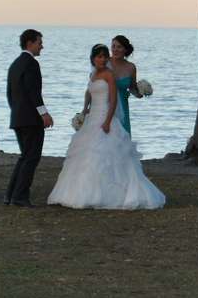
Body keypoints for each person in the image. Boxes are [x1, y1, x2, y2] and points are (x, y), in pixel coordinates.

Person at [46, 44, 166, 209]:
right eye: (99, 57)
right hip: (92, 116)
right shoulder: (94, 74)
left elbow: (113, 99)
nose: (102, 59)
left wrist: (108, 121)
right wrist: (84, 110)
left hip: (105, 117)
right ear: (93, 58)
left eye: (104, 56)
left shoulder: (109, 75)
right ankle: (78, 193)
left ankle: (110, 194)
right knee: (85, 154)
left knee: (106, 154)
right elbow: (89, 92)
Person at [6, 28, 53, 207]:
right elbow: (34, 92)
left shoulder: (15, 64)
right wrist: (44, 114)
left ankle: (10, 195)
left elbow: (10, 94)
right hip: (31, 119)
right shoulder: (31, 64)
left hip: (17, 117)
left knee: (24, 157)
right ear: (30, 43)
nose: (42, 47)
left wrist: (17, 111)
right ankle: (20, 196)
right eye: (39, 43)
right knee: (31, 157)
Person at [109, 34, 142, 134]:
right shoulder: (105, 63)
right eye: (113, 46)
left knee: (122, 139)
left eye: (119, 47)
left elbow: (132, 88)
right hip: (106, 105)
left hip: (122, 107)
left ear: (125, 50)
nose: (115, 49)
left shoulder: (131, 67)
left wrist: (140, 93)